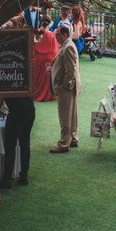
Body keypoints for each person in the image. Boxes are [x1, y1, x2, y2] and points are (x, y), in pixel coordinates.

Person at [49, 25, 82, 153]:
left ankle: (64, 143)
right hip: (69, 87)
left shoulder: (68, 47)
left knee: (65, 115)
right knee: (71, 114)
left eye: (57, 34)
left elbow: (71, 70)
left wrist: (64, 86)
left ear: (64, 34)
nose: (55, 37)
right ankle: (73, 138)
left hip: (67, 88)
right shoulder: (67, 45)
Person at [0, 97, 35, 188]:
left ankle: (7, 179)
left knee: (10, 145)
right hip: (30, 109)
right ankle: (24, 176)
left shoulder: (2, 83)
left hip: (16, 113)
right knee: (25, 143)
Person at [33, 16, 59, 101]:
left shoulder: (37, 34)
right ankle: (49, 94)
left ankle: (37, 93)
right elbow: (56, 49)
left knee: (38, 77)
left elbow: (33, 47)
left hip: (39, 59)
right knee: (48, 78)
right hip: (49, 59)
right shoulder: (52, 34)